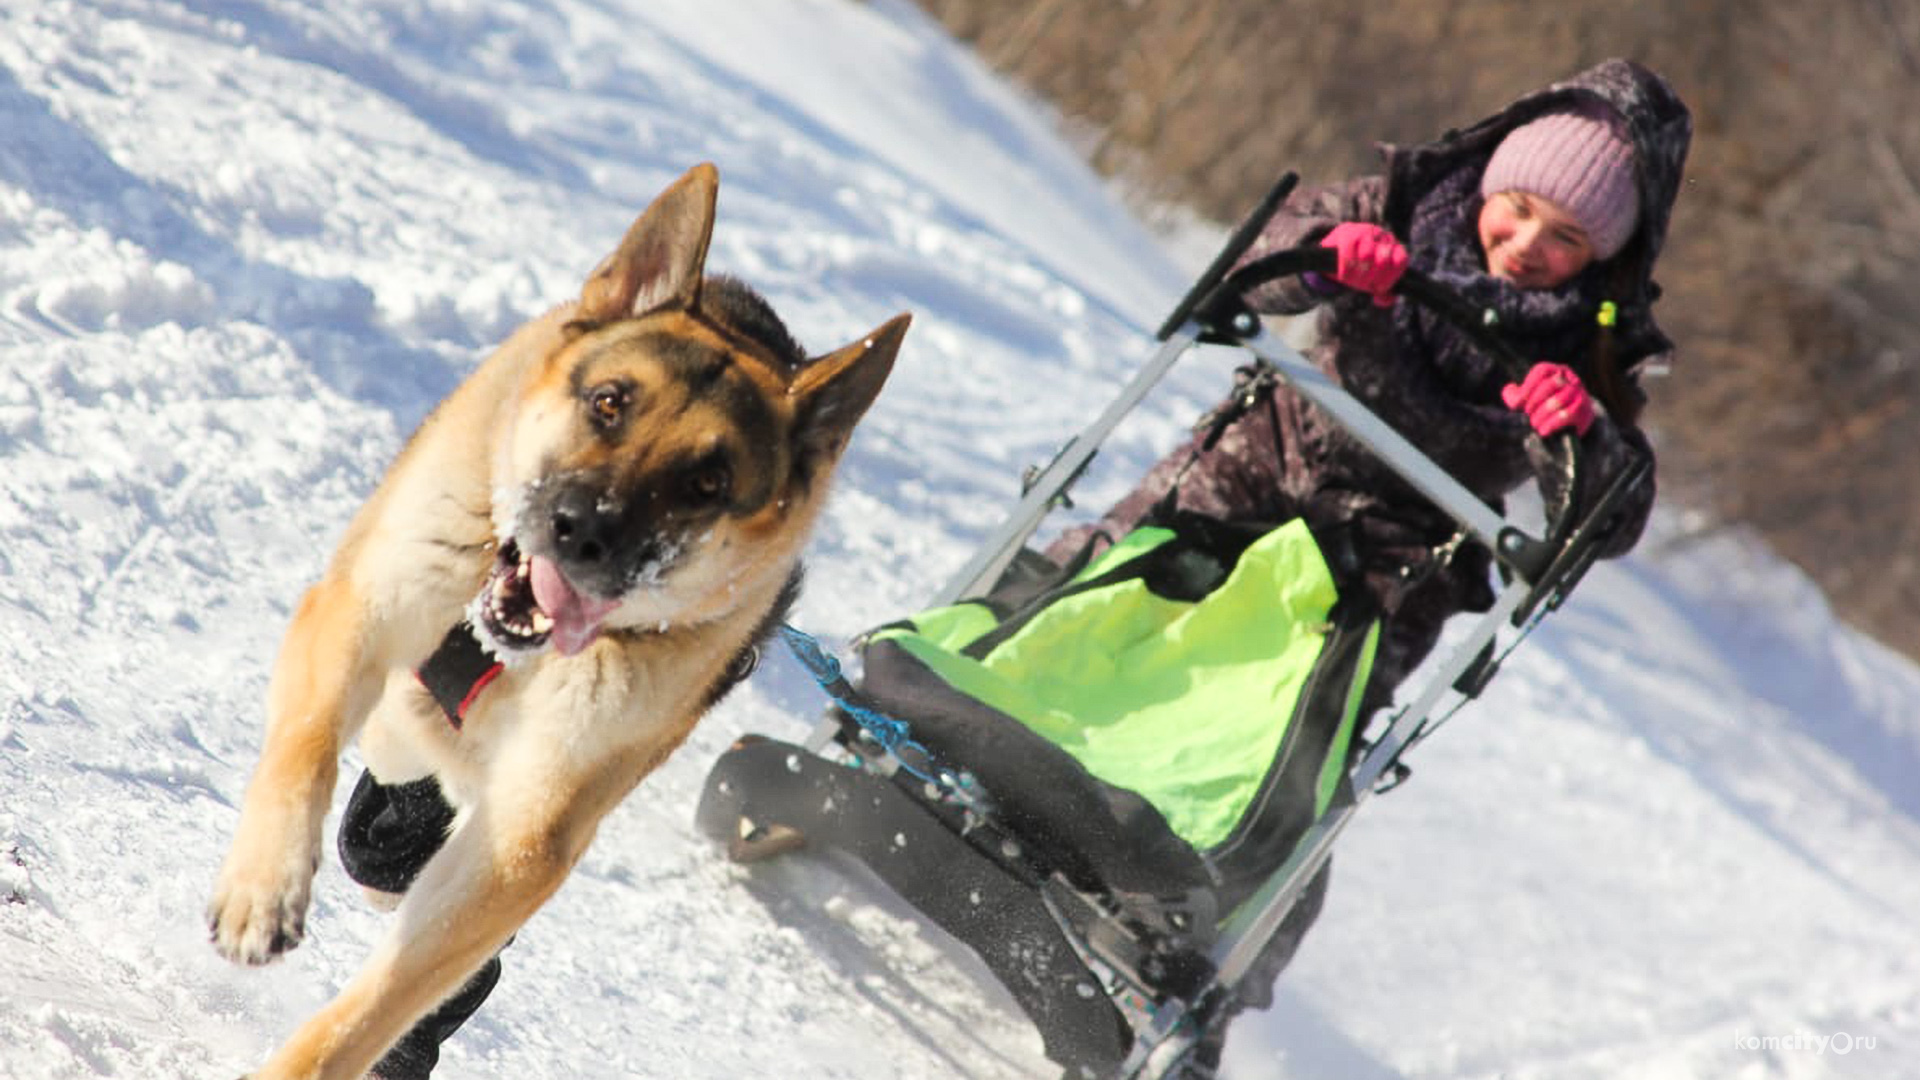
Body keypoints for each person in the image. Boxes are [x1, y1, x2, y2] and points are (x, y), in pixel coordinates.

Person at [1043, 57, 1692, 1072]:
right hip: (1262, 469)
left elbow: (1614, 509)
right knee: (1110, 584)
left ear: (1601, 257)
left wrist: (1577, 439)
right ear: (1490, 183)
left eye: (1566, 240)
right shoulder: (1396, 204)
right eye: (1517, 210)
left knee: (1302, 748)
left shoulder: (1591, 353)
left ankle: (1201, 957)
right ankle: (974, 714)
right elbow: (1260, 252)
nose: (1525, 248)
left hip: (1394, 564)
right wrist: (1323, 257)